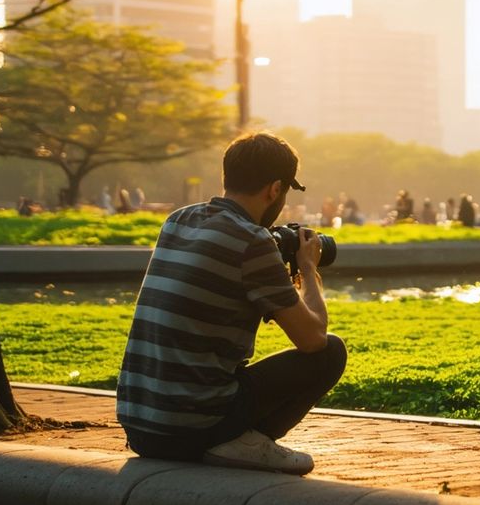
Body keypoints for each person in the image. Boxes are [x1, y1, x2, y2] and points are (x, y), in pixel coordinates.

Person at [116, 131, 346, 475]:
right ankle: (242, 441)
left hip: (141, 426)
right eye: (283, 192)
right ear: (274, 189)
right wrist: (308, 268)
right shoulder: (251, 241)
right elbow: (312, 338)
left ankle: (230, 437)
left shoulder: (178, 220)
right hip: (193, 427)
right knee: (331, 352)